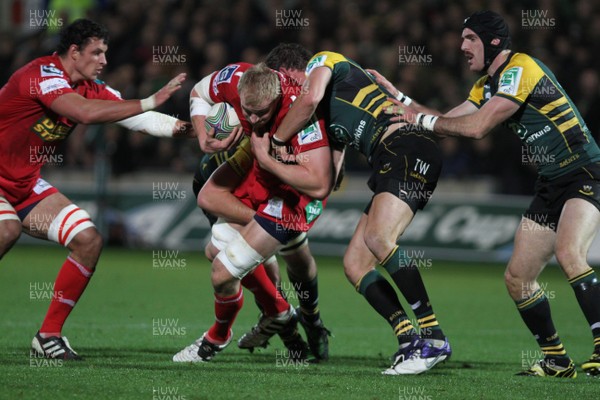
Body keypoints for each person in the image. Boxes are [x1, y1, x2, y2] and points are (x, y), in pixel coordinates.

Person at [384, 10, 600, 378]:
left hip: (584, 170)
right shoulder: (485, 85)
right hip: (550, 182)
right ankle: (557, 359)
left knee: (569, 252)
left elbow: (479, 126)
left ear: (493, 42)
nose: (461, 46)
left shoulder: (520, 68)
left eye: (470, 38)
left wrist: (418, 119)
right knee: (518, 277)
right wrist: (403, 102)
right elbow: (448, 122)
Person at [0, 19, 190, 360]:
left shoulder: (91, 86)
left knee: (88, 240)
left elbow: (138, 119)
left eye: (105, 52)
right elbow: (84, 114)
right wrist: (148, 101)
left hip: (23, 185)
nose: (104, 59)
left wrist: (196, 132)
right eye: (97, 52)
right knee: (7, 228)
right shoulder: (40, 75)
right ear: (74, 53)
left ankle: (48, 337)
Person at [269, 51, 451, 375]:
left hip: (406, 147)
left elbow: (308, 98)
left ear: (290, 70)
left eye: (283, 82)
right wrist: (292, 161)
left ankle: (433, 337)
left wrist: (278, 138)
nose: (285, 91)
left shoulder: (323, 62)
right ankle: (408, 339)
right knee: (355, 264)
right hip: (390, 159)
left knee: (379, 238)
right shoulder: (327, 119)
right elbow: (328, 181)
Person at [172, 63, 335, 363]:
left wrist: (267, 157)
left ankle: (220, 337)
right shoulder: (236, 79)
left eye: (262, 113)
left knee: (227, 269)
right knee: (217, 235)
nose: (253, 118)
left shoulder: (301, 112)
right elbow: (197, 92)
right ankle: (282, 314)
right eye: (248, 111)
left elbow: (320, 185)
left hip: (295, 195)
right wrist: (201, 134)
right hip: (260, 166)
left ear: (278, 96)